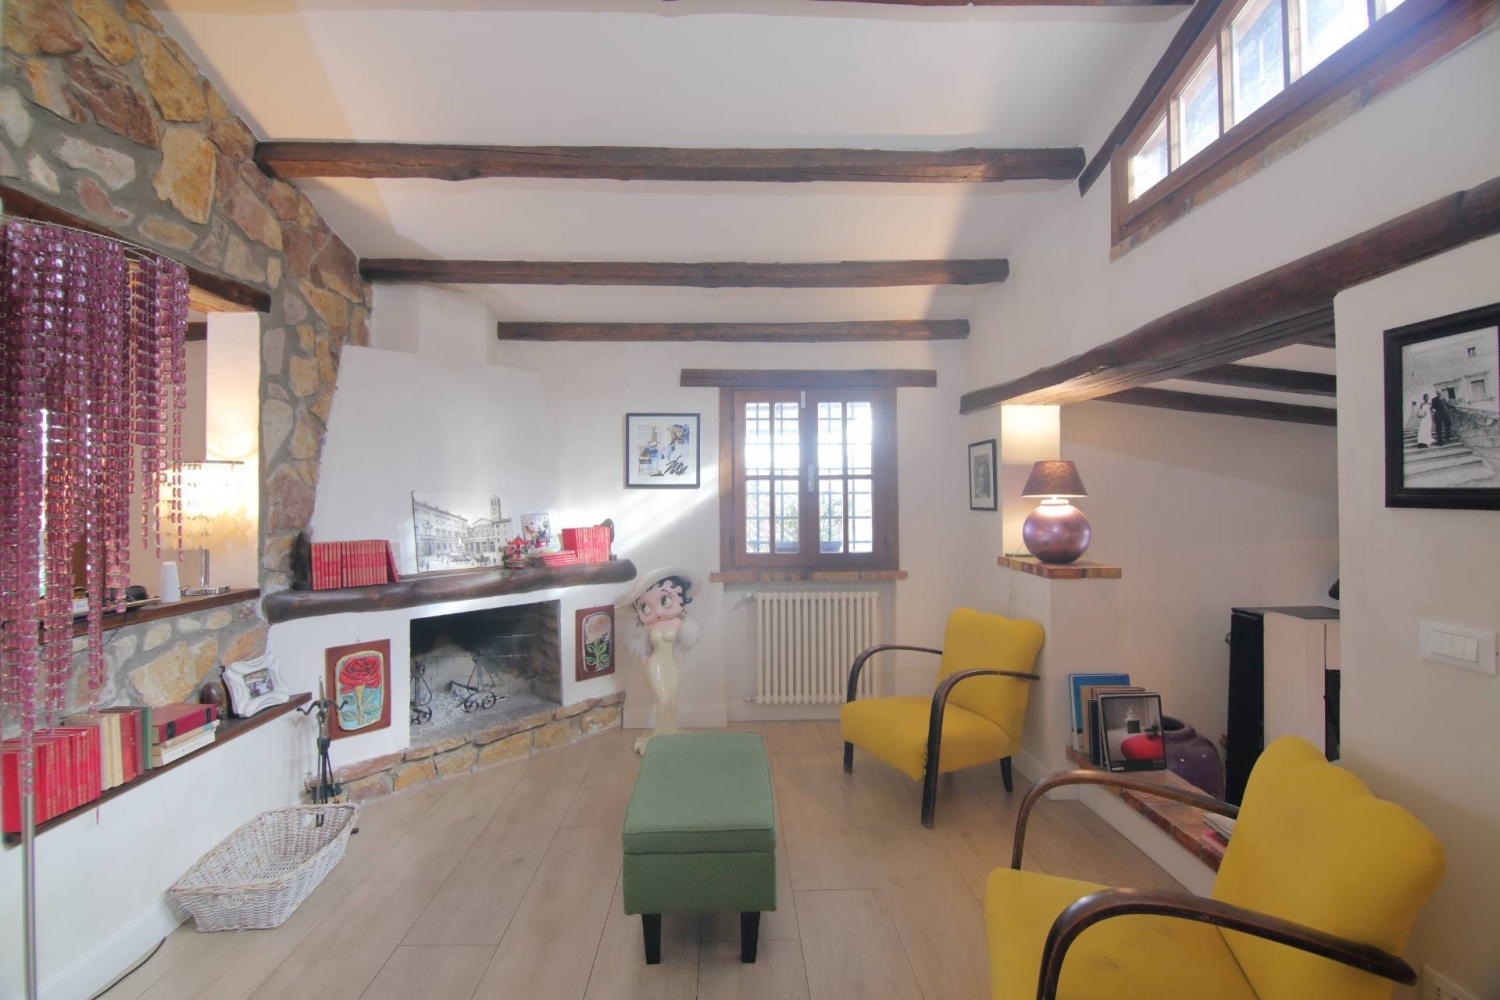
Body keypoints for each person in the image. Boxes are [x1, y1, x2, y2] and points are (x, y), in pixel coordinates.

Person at [618, 568, 701, 755]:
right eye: (645, 607)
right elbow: (639, 643)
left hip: (672, 663)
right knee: (662, 698)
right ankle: (659, 734)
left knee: (672, 699)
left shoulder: (679, 623)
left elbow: (691, 638)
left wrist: (680, 654)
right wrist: (644, 658)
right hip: (654, 663)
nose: (656, 612)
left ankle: (670, 731)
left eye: (664, 601)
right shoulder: (647, 627)